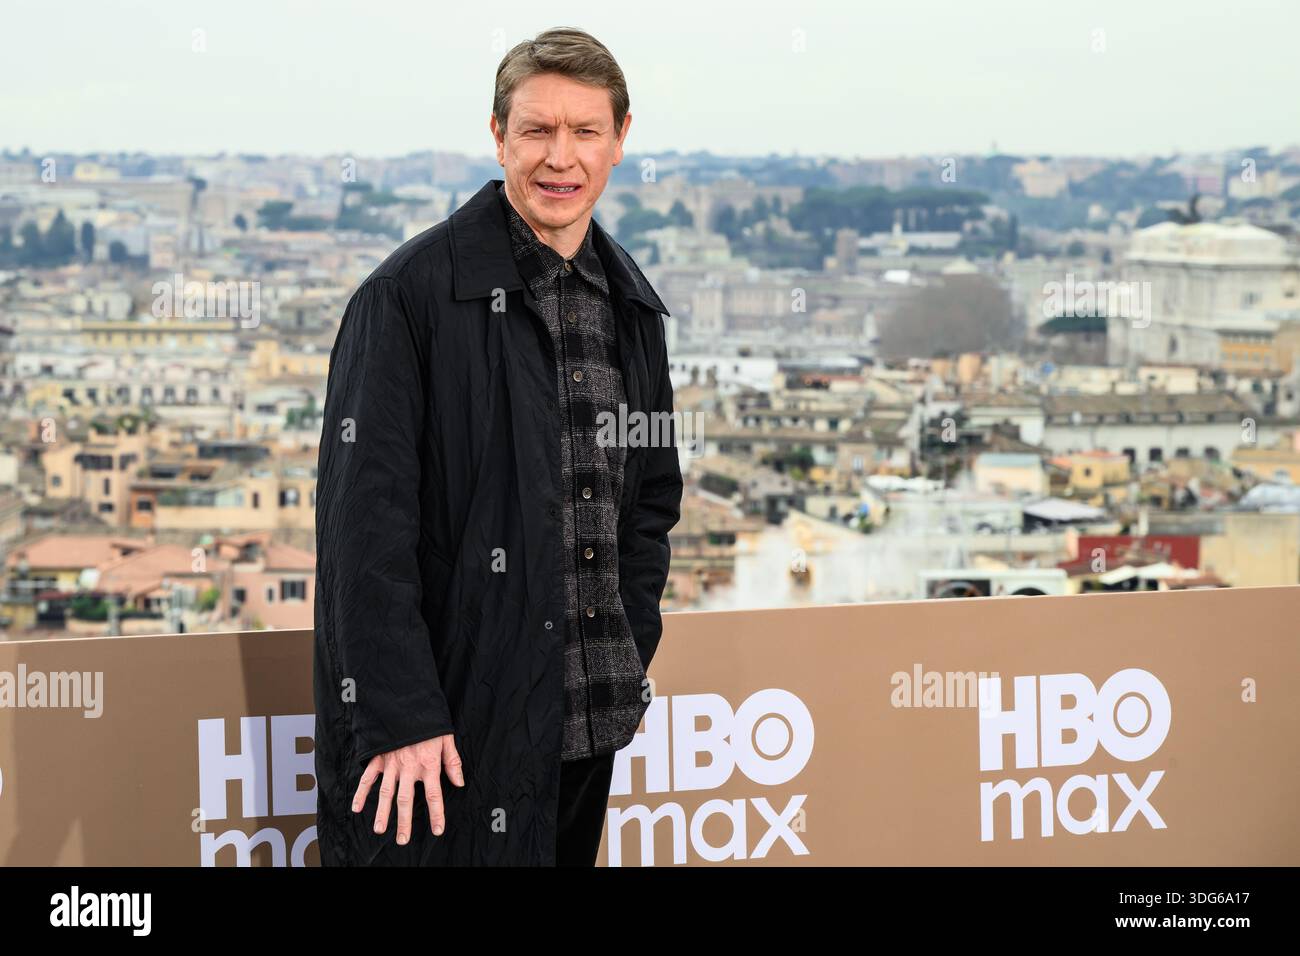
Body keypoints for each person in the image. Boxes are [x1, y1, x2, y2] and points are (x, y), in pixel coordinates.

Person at [312, 26, 682, 866]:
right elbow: (361, 533)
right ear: (498, 136)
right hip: (442, 740)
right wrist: (402, 713)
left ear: (621, 142)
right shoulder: (405, 299)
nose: (562, 157)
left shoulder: (632, 310)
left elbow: (649, 503)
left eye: (586, 132)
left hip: (589, 722)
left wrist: (628, 641)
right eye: (538, 131)